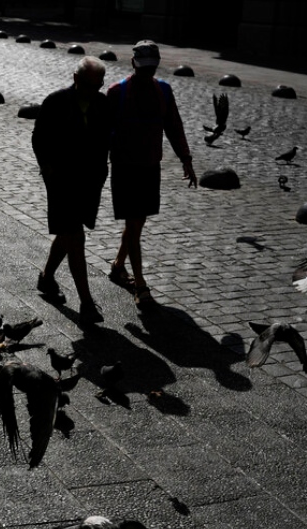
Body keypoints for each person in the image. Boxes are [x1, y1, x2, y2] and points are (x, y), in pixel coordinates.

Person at [106, 40, 196, 308]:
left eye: (152, 68)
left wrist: (186, 159)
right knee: (134, 224)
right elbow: (102, 134)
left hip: (149, 168)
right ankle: (141, 285)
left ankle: (118, 265)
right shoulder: (116, 92)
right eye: (144, 68)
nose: (147, 73)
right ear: (133, 63)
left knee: (137, 224)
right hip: (125, 169)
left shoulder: (164, 92)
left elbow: (174, 127)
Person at [32, 57, 110, 324]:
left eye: (97, 85)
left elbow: (107, 140)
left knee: (67, 234)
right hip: (61, 180)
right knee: (75, 237)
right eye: (88, 84)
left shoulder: (102, 104)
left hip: (89, 181)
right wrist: (48, 168)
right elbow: (39, 138)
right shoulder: (56, 101)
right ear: (76, 79)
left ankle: (47, 277)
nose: (92, 90)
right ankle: (86, 303)